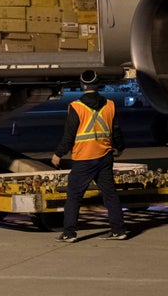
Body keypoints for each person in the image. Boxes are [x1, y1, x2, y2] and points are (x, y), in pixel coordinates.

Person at [51, 69, 128, 242]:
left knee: (74, 197)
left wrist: (58, 154)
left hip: (84, 159)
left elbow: (69, 135)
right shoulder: (110, 105)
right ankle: (118, 230)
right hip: (105, 156)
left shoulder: (76, 107)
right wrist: (120, 147)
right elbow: (116, 131)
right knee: (110, 195)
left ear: (82, 85)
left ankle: (69, 233)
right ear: (97, 84)